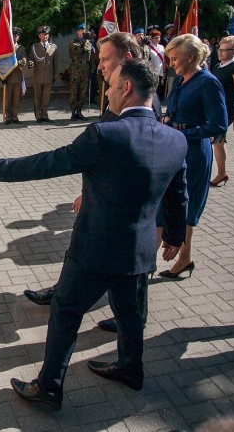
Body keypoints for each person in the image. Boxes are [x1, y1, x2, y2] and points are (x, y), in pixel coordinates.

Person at [0, 59, 188, 409]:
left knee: (66, 311)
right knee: (129, 314)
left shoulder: (106, 134)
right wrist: (175, 235)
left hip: (95, 250)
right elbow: (177, 195)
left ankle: (49, 387)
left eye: (112, 85)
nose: (108, 92)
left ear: (126, 88)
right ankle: (132, 369)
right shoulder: (176, 139)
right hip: (138, 250)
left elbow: (50, 163)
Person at [23, 34, 163, 337]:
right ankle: (104, 308)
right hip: (109, 196)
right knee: (122, 268)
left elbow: (138, 160)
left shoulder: (143, 101)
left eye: (105, 59)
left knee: (132, 270)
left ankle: (133, 320)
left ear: (125, 59)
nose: (99, 65)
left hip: (127, 206)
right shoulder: (117, 94)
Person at [159, 34, 227, 278]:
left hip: (195, 152)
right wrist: (168, 120)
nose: (171, 63)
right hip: (175, 147)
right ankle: (184, 257)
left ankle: (179, 259)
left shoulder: (208, 82)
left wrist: (184, 131)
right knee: (168, 203)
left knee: (186, 204)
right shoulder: (180, 80)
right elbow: (175, 110)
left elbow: (219, 125)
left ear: (190, 57)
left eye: (175, 59)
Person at [210, 35, 234, 187]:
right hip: (214, 108)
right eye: (219, 49)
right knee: (218, 142)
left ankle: (221, 173)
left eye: (225, 50)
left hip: (225, 110)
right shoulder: (218, 66)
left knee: (218, 140)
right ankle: (221, 172)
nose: (220, 52)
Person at [29, 25, 58, 122]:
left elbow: (55, 63)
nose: (45, 36)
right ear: (39, 36)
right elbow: (31, 58)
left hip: (48, 77)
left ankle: (45, 115)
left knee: (46, 98)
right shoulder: (34, 47)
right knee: (37, 97)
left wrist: (55, 75)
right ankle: (38, 116)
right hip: (38, 76)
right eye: (42, 34)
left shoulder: (53, 47)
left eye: (46, 34)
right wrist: (31, 62)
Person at [68, 24, 92, 121]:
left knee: (82, 92)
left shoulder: (89, 44)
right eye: (81, 30)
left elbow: (90, 58)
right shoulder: (73, 42)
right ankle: (73, 112)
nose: (83, 32)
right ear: (77, 32)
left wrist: (92, 69)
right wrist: (84, 41)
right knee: (74, 91)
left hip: (85, 70)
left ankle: (79, 111)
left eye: (84, 30)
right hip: (76, 70)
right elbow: (77, 51)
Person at [4, 27, 26, 124]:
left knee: (16, 99)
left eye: (16, 36)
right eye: (13, 35)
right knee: (8, 99)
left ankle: (15, 117)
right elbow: (2, 62)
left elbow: (24, 61)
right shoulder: (5, 48)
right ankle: (8, 118)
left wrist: (16, 62)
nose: (14, 37)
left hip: (17, 78)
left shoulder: (21, 48)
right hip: (7, 77)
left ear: (18, 37)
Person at [147, 28, 166, 100]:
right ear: (151, 39)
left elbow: (163, 61)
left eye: (159, 37)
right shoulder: (148, 47)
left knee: (158, 89)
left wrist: (164, 72)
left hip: (160, 71)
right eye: (155, 38)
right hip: (152, 71)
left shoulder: (161, 47)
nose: (157, 39)